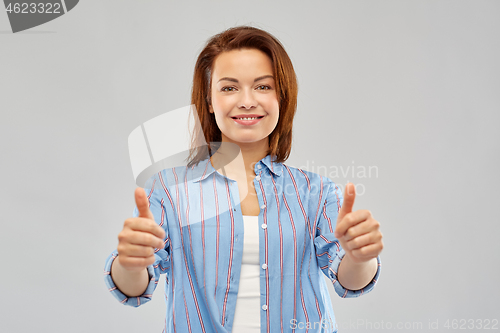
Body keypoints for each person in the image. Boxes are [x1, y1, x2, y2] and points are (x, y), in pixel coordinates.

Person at [104, 25, 383, 333]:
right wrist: (130, 263)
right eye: (229, 88)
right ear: (209, 101)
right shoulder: (169, 192)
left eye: (263, 87)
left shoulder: (316, 193)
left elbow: (349, 280)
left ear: (282, 97)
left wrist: (359, 257)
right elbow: (134, 288)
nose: (247, 101)